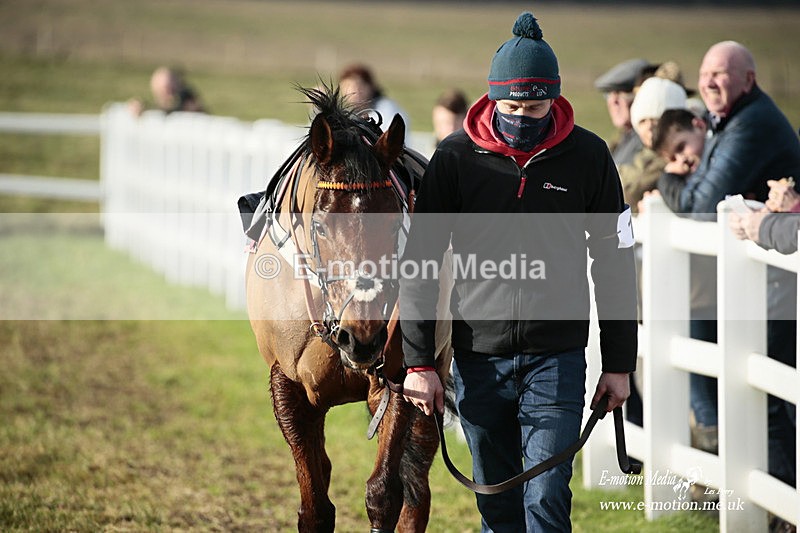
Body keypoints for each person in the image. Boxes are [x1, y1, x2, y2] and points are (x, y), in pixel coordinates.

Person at [399, 12, 638, 532]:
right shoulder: (455, 159)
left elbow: (615, 262)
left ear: (554, 98)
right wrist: (419, 362)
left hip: (557, 357)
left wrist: (619, 363)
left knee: (546, 498)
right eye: (511, 107)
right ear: (492, 100)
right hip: (478, 360)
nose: (522, 117)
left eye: (534, 107)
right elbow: (419, 262)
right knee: (498, 506)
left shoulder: (590, 157)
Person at [658, 41, 800, 492]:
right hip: (765, 281)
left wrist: (668, 180)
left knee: (775, 396)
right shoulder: (729, 121)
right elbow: (704, 191)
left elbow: (701, 206)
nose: (709, 82)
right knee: (765, 392)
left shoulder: (751, 123)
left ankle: (784, 502)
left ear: (748, 80)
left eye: (720, 73)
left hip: (779, 282)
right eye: (705, 74)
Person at [620, 76, 687, 212]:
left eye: (656, 120)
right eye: (643, 121)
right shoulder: (640, 156)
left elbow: (629, 193)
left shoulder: (675, 160)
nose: (649, 127)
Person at [594, 58, 657, 167]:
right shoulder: (621, 138)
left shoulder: (651, 139)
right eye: (609, 94)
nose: (613, 101)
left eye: (622, 93)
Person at [338, 63, 411, 138]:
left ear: (370, 87)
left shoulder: (387, 109)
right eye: (348, 86)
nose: (354, 91)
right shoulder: (346, 115)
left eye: (359, 86)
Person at [128, 66, 206, 116]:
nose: (168, 93)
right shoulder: (153, 109)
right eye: (164, 89)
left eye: (171, 88)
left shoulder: (187, 100)